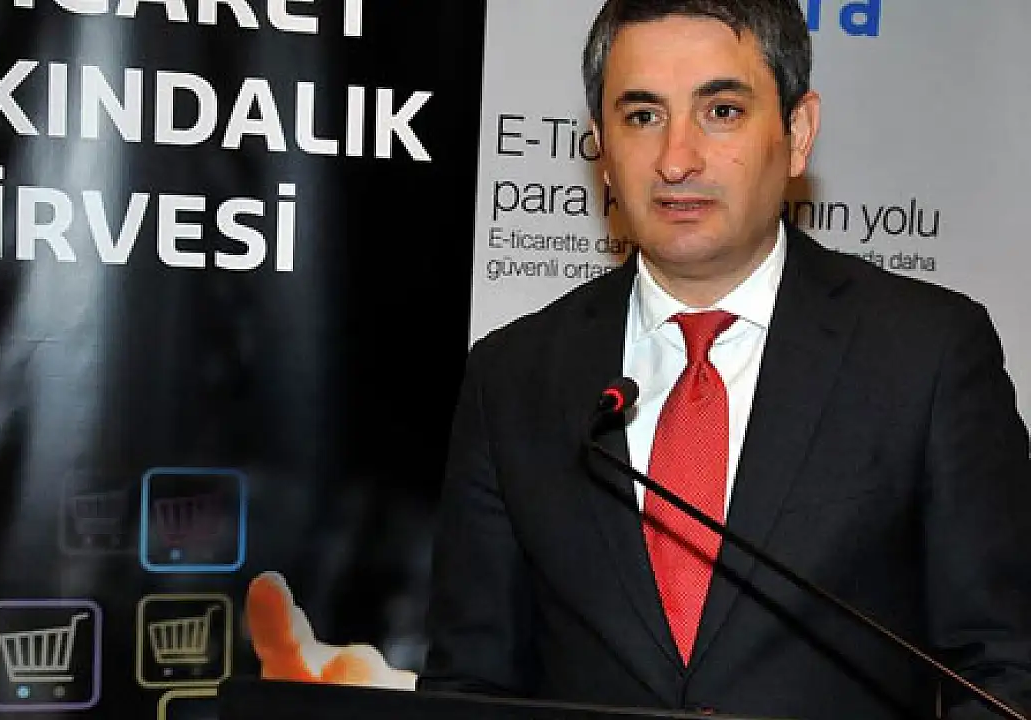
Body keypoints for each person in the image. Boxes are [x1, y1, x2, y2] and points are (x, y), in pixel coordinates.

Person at [415, 1, 1031, 719]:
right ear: (602, 148)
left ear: (798, 134)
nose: (677, 159)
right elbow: (469, 683)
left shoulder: (926, 354)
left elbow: (1003, 670)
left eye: (722, 112)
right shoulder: (512, 376)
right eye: (642, 116)